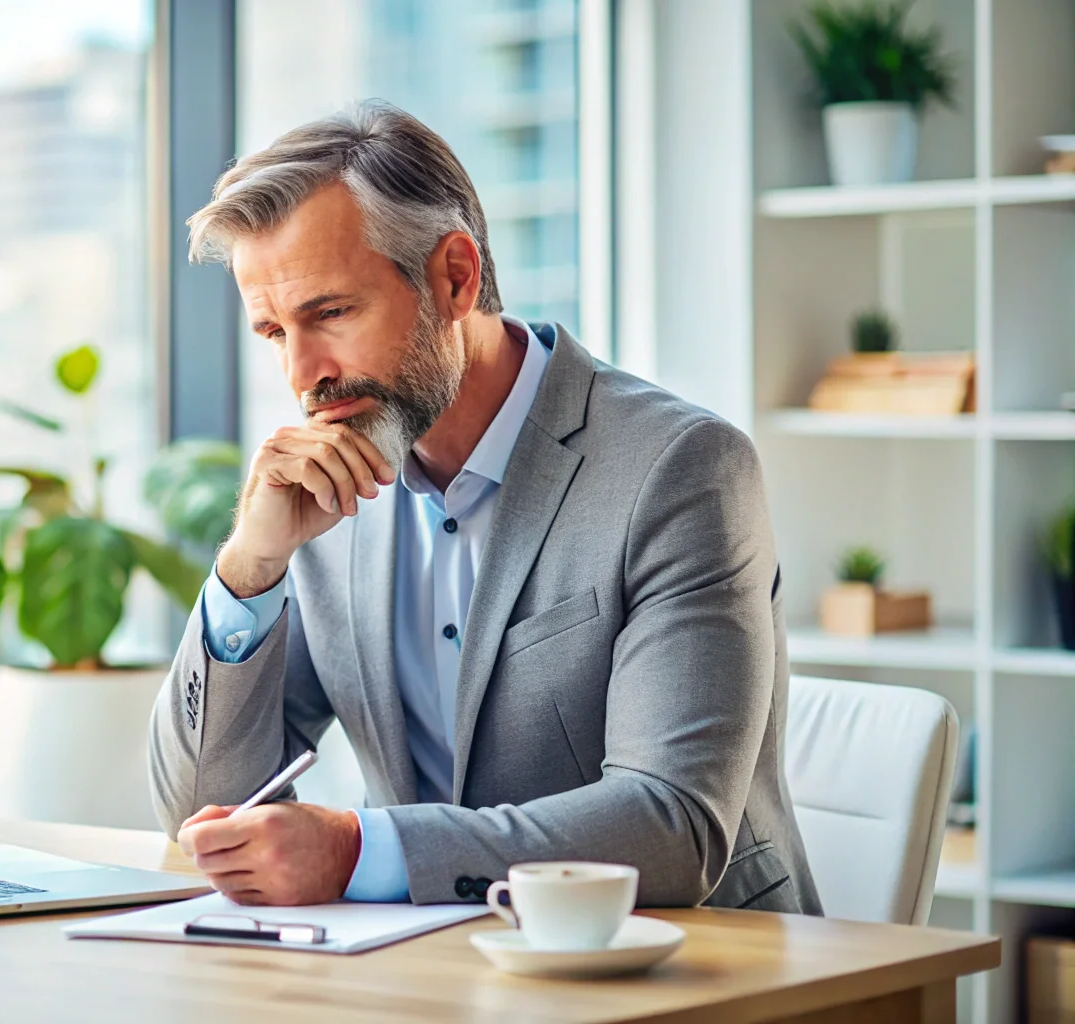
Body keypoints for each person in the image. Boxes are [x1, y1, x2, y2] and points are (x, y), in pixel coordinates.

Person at [148, 101, 822, 914]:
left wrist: (364, 850)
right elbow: (199, 810)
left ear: (455, 278)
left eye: (330, 313)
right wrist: (247, 573)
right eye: (273, 333)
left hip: (692, 973)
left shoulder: (680, 470)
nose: (303, 375)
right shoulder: (327, 488)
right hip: (426, 974)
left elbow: (672, 824)